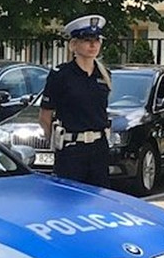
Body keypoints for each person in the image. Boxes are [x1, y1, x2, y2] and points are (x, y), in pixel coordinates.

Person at [38, 14, 112, 188]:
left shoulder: (104, 75)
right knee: (70, 198)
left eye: (97, 40)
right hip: (71, 149)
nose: (93, 45)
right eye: (87, 40)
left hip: (99, 149)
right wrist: (58, 142)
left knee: (100, 197)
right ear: (74, 45)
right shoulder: (61, 75)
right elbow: (44, 116)